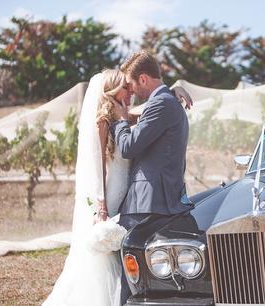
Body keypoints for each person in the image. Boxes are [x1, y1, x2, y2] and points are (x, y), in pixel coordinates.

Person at [43, 69, 192, 306]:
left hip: (127, 195)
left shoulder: (124, 115)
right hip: (111, 196)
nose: (131, 91)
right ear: (112, 91)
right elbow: (98, 166)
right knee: (109, 259)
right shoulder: (103, 121)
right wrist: (101, 206)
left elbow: (154, 108)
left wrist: (172, 91)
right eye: (125, 87)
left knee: (121, 258)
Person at [112, 50, 191, 305]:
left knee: (131, 278)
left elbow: (128, 147)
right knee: (152, 278)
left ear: (143, 79)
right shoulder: (167, 101)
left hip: (146, 204)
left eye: (132, 84)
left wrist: (121, 121)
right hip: (159, 200)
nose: (131, 91)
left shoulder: (162, 103)